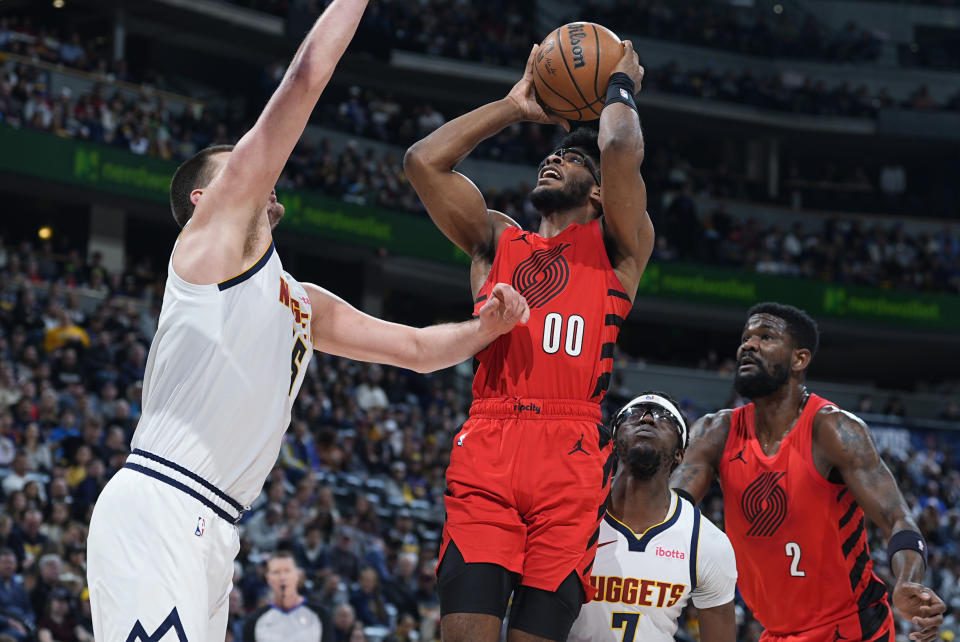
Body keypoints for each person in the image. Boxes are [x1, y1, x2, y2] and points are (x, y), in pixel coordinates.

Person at [85, 1, 531, 639]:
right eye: (236, 166)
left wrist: (487, 329)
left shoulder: (299, 300)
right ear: (203, 200)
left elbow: (414, 348)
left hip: (215, 526)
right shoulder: (205, 248)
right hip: (161, 503)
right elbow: (305, 78)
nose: (257, 172)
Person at [404, 36, 653, 641]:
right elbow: (422, 163)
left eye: (571, 161)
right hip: (489, 443)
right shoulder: (496, 241)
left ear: (598, 193)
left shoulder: (618, 250)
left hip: (569, 455)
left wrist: (618, 85)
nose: (552, 161)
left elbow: (618, 145)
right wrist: (514, 106)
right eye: (550, 159)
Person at [671, 302, 946, 642]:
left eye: (766, 336)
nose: (749, 345)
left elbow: (898, 520)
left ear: (799, 359)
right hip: (777, 633)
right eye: (746, 338)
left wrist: (908, 581)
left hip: (851, 629)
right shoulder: (716, 432)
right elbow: (671, 511)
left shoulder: (833, 429)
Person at [569, 392, 737, 642]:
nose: (647, 418)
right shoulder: (571, 514)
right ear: (612, 441)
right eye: (633, 414)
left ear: (680, 454)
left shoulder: (707, 542)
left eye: (665, 417)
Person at [242, 551, 332, 641]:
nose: (282, 577)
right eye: (276, 572)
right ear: (268, 578)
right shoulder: (254, 621)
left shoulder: (320, 616)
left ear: (297, 575)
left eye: (287, 571)